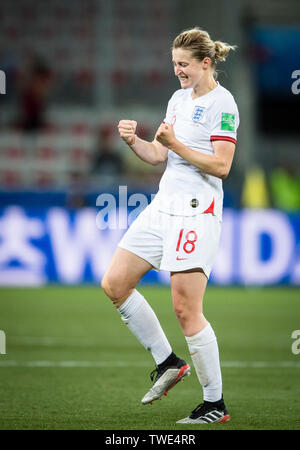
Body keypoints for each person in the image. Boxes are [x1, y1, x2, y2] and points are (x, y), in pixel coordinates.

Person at [101, 27, 239, 425]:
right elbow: (158, 154)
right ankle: (168, 362)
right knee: (115, 283)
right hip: (163, 206)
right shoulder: (178, 99)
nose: (177, 70)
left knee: (185, 308)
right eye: (174, 63)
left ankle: (215, 403)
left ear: (205, 63)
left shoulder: (223, 104)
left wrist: (176, 144)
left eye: (183, 64)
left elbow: (222, 165)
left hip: (198, 211)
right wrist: (134, 141)